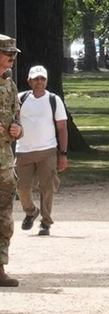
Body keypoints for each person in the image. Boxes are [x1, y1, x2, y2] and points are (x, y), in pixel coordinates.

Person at [14, 65, 68, 235]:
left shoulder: (54, 100)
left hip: (47, 150)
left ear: (46, 81)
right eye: (36, 79)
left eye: (42, 79)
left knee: (47, 187)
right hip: (23, 150)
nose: (39, 82)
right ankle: (31, 211)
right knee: (21, 187)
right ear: (29, 81)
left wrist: (63, 154)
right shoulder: (20, 99)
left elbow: (62, 128)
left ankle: (46, 222)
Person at [0, 34, 23, 287]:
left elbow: (17, 118)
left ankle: (0, 267)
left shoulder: (10, 85)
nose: (12, 58)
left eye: (14, 54)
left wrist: (18, 129)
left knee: (4, 217)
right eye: (8, 53)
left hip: (5, 162)